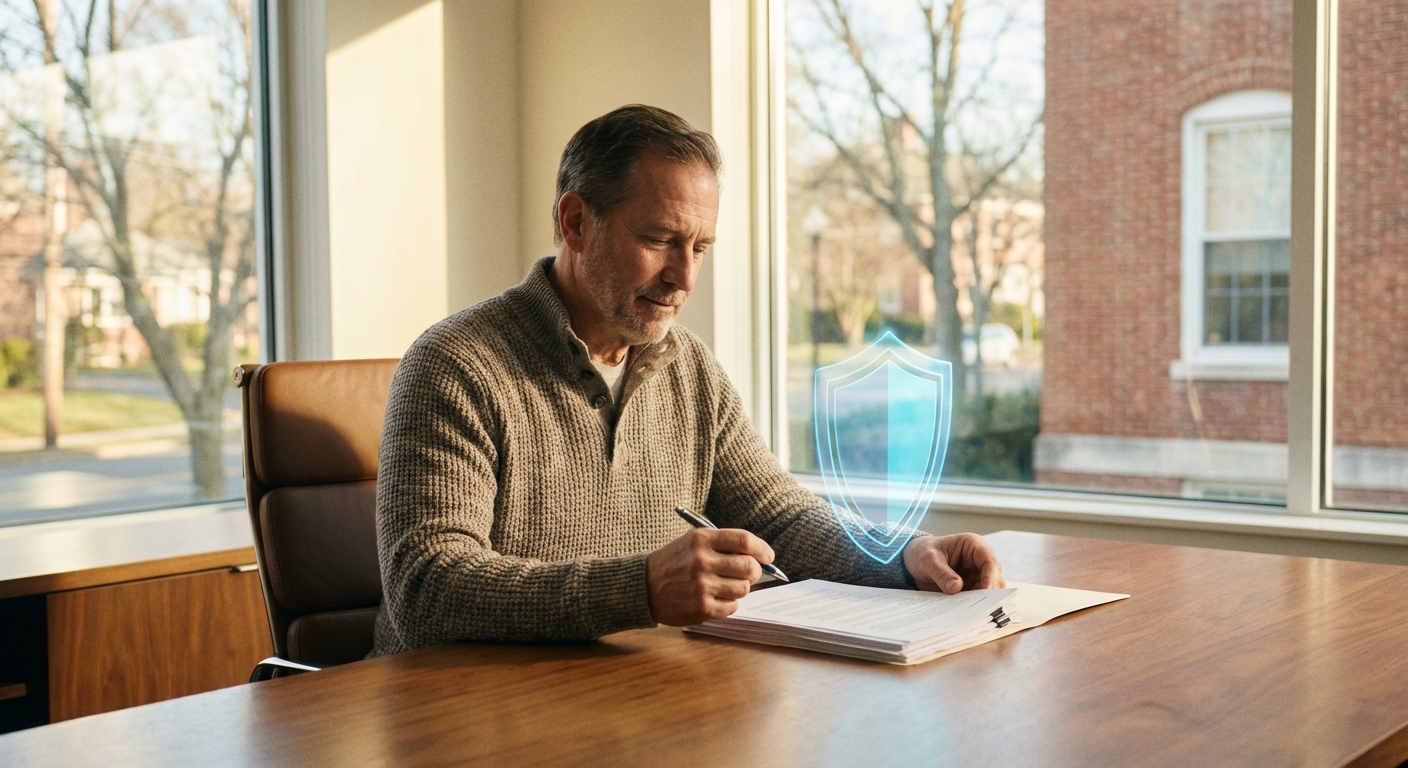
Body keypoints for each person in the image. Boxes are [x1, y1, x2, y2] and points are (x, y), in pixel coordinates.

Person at [371, 104, 1004, 655]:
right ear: (575, 223)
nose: (685, 277)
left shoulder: (689, 367)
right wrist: (640, 589)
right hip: (458, 718)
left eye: (700, 248)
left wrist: (904, 556)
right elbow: (428, 588)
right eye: (660, 240)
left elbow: (779, 519)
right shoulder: (455, 366)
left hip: (625, 700)